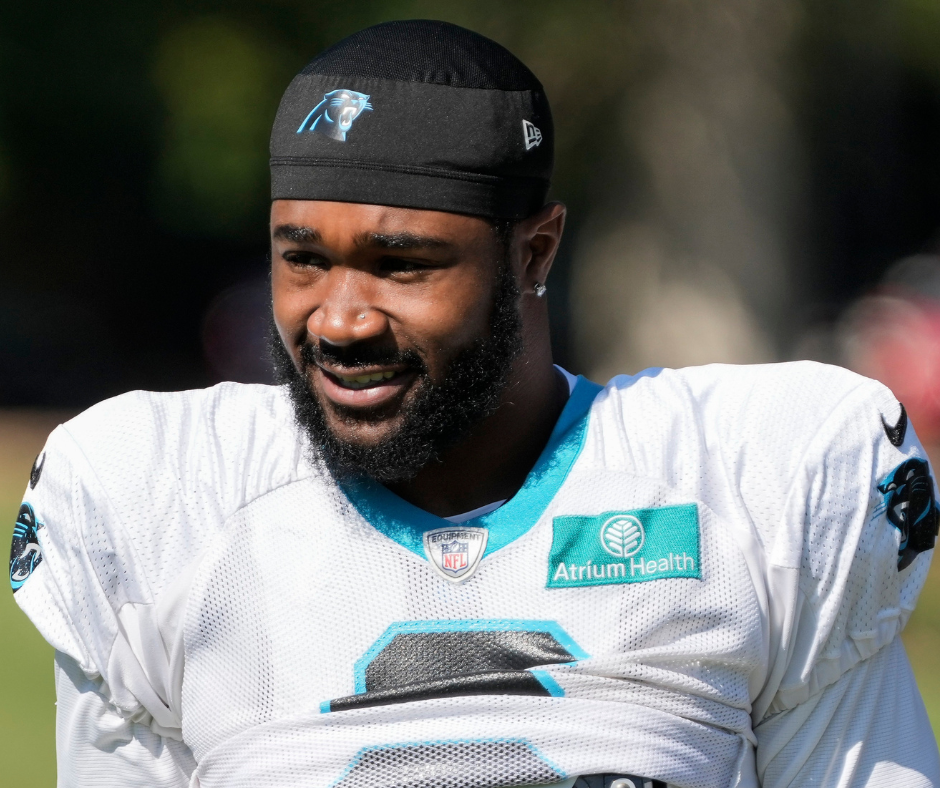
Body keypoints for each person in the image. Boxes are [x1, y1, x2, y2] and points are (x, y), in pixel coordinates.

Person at [10, 19, 940, 788]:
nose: (338, 319)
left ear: (534, 253)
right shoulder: (161, 506)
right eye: (303, 259)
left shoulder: (757, 487)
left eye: (401, 264)